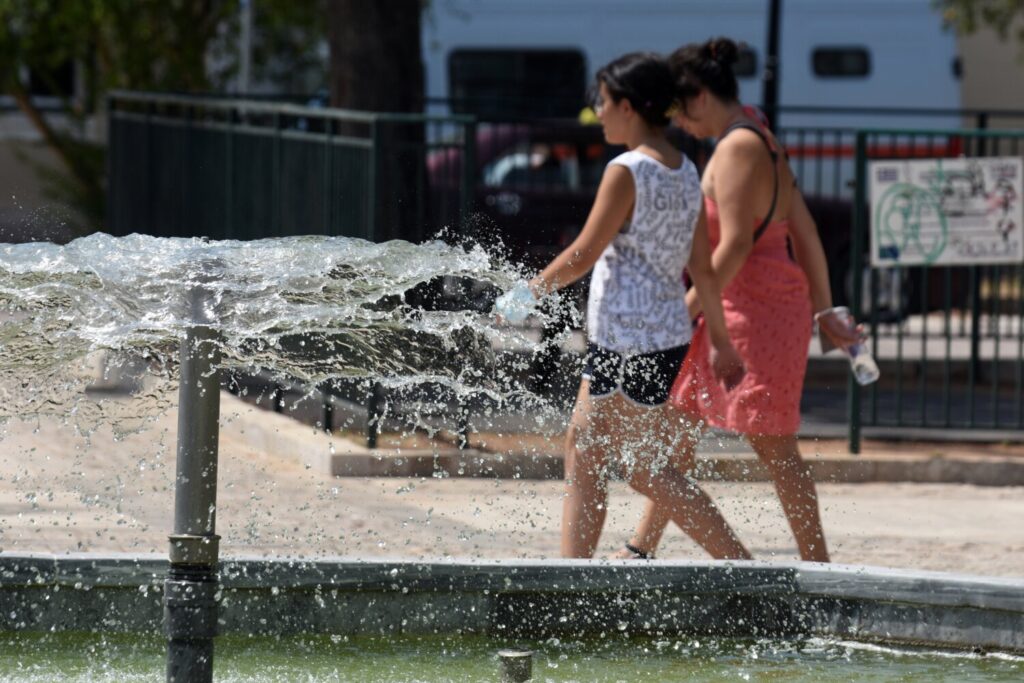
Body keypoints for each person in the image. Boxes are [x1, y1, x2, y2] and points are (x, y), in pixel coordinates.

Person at [497, 52, 751, 560]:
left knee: (641, 467)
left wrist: (527, 293)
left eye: (604, 101)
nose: (598, 111)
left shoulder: (627, 169)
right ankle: (574, 579)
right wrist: (719, 342)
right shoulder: (684, 170)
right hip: (662, 336)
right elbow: (702, 268)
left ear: (630, 107)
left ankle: (743, 570)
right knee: (588, 450)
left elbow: (584, 253)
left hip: (626, 336)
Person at [614, 38, 860, 563]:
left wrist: (677, 315)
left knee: (774, 446)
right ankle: (641, 547)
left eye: (681, 113)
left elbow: (736, 247)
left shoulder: (739, 147)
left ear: (700, 97)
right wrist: (824, 308)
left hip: (756, 313)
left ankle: (817, 569)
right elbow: (807, 230)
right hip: (739, 307)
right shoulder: (757, 133)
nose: (681, 126)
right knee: (675, 429)